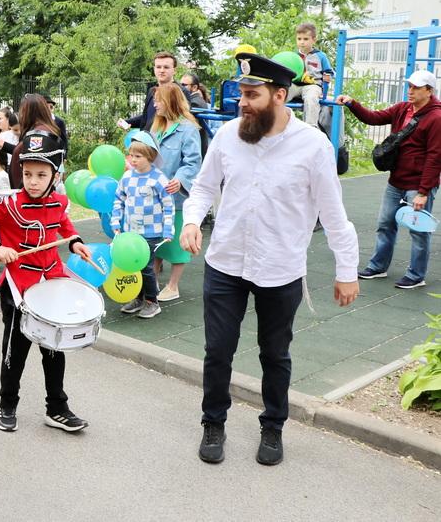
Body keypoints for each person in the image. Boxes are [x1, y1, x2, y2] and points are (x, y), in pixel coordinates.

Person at [180, 53, 359, 466]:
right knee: (217, 351)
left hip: (280, 269)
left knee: (274, 354)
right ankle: (213, 423)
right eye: (241, 93)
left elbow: (333, 213)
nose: (242, 102)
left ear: (279, 96)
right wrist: (191, 221)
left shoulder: (312, 145)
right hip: (225, 263)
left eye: (251, 95)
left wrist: (347, 270)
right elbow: (204, 187)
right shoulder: (228, 135)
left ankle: (273, 428)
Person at [0, 129, 94, 432]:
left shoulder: (58, 201)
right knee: (15, 352)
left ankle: (56, 408)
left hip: (51, 286)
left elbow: (63, 224)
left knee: (54, 351)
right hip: (18, 289)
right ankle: (7, 404)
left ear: (55, 176)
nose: (32, 181)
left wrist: (75, 242)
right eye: (27, 174)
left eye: (41, 175)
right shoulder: (8, 204)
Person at [337, 69, 440, 289]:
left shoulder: (436, 118)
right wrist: (352, 103)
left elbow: (435, 157)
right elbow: (373, 118)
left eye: (416, 87)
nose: (410, 91)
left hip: (418, 184)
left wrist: (423, 192)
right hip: (396, 180)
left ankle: (416, 275)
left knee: (418, 231)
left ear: (429, 91)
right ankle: (378, 266)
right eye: (409, 86)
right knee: (385, 224)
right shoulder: (403, 109)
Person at [111, 131, 174, 318]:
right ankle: (138, 298)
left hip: (151, 233)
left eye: (138, 156)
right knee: (133, 266)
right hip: (131, 232)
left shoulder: (159, 178)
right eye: (131, 155)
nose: (133, 159)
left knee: (146, 267)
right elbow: (118, 200)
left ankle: (152, 302)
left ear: (150, 156)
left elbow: (168, 206)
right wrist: (115, 221)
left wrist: (168, 230)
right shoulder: (127, 177)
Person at [149, 84, 202, 302]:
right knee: (156, 238)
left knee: (177, 242)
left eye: (158, 100)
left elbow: (193, 162)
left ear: (170, 101)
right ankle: (153, 279)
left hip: (176, 198)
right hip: (156, 196)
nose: (155, 104)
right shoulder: (157, 128)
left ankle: (173, 286)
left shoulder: (188, 129)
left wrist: (180, 180)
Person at [0, 94, 59, 190]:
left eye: (22, 111)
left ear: (27, 112)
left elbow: (32, 159)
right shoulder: (44, 130)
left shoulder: (38, 134)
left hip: (31, 191)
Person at [122, 51, 193, 131]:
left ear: (174, 70)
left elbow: (182, 121)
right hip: (146, 137)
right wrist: (127, 122)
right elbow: (147, 118)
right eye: (158, 67)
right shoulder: (152, 91)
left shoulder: (181, 92)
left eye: (166, 67)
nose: (162, 70)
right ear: (154, 69)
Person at [291, 22, 333, 128]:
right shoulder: (294, 56)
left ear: (314, 40)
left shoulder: (320, 56)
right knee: (279, 93)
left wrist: (327, 77)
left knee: (311, 98)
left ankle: (310, 127)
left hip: (313, 85)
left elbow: (328, 71)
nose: (302, 42)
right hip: (296, 85)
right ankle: (276, 123)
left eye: (306, 39)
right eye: (299, 39)